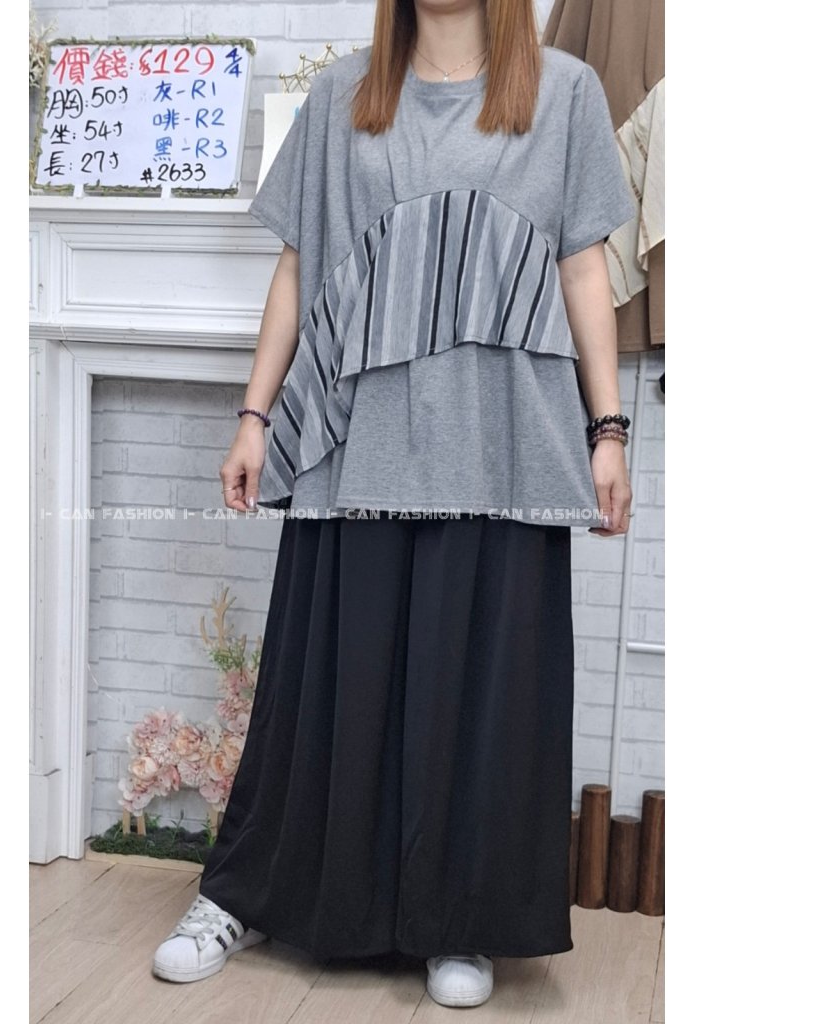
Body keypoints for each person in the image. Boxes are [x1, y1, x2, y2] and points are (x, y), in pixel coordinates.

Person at [152, 0, 635, 1009]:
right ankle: (248, 895)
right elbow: (299, 269)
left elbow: (582, 264)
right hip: (355, 445)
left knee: (482, 692)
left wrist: (608, 430)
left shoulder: (564, 93)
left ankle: (458, 920)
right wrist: (254, 417)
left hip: (502, 451)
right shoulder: (342, 98)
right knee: (328, 689)